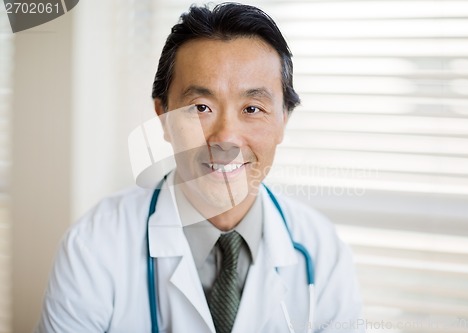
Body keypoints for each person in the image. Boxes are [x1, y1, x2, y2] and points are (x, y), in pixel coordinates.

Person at [36, 3, 364, 333]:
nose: (226, 138)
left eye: (252, 108)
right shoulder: (94, 246)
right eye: (201, 107)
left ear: (283, 121)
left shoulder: (322, 251)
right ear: (163, 117)